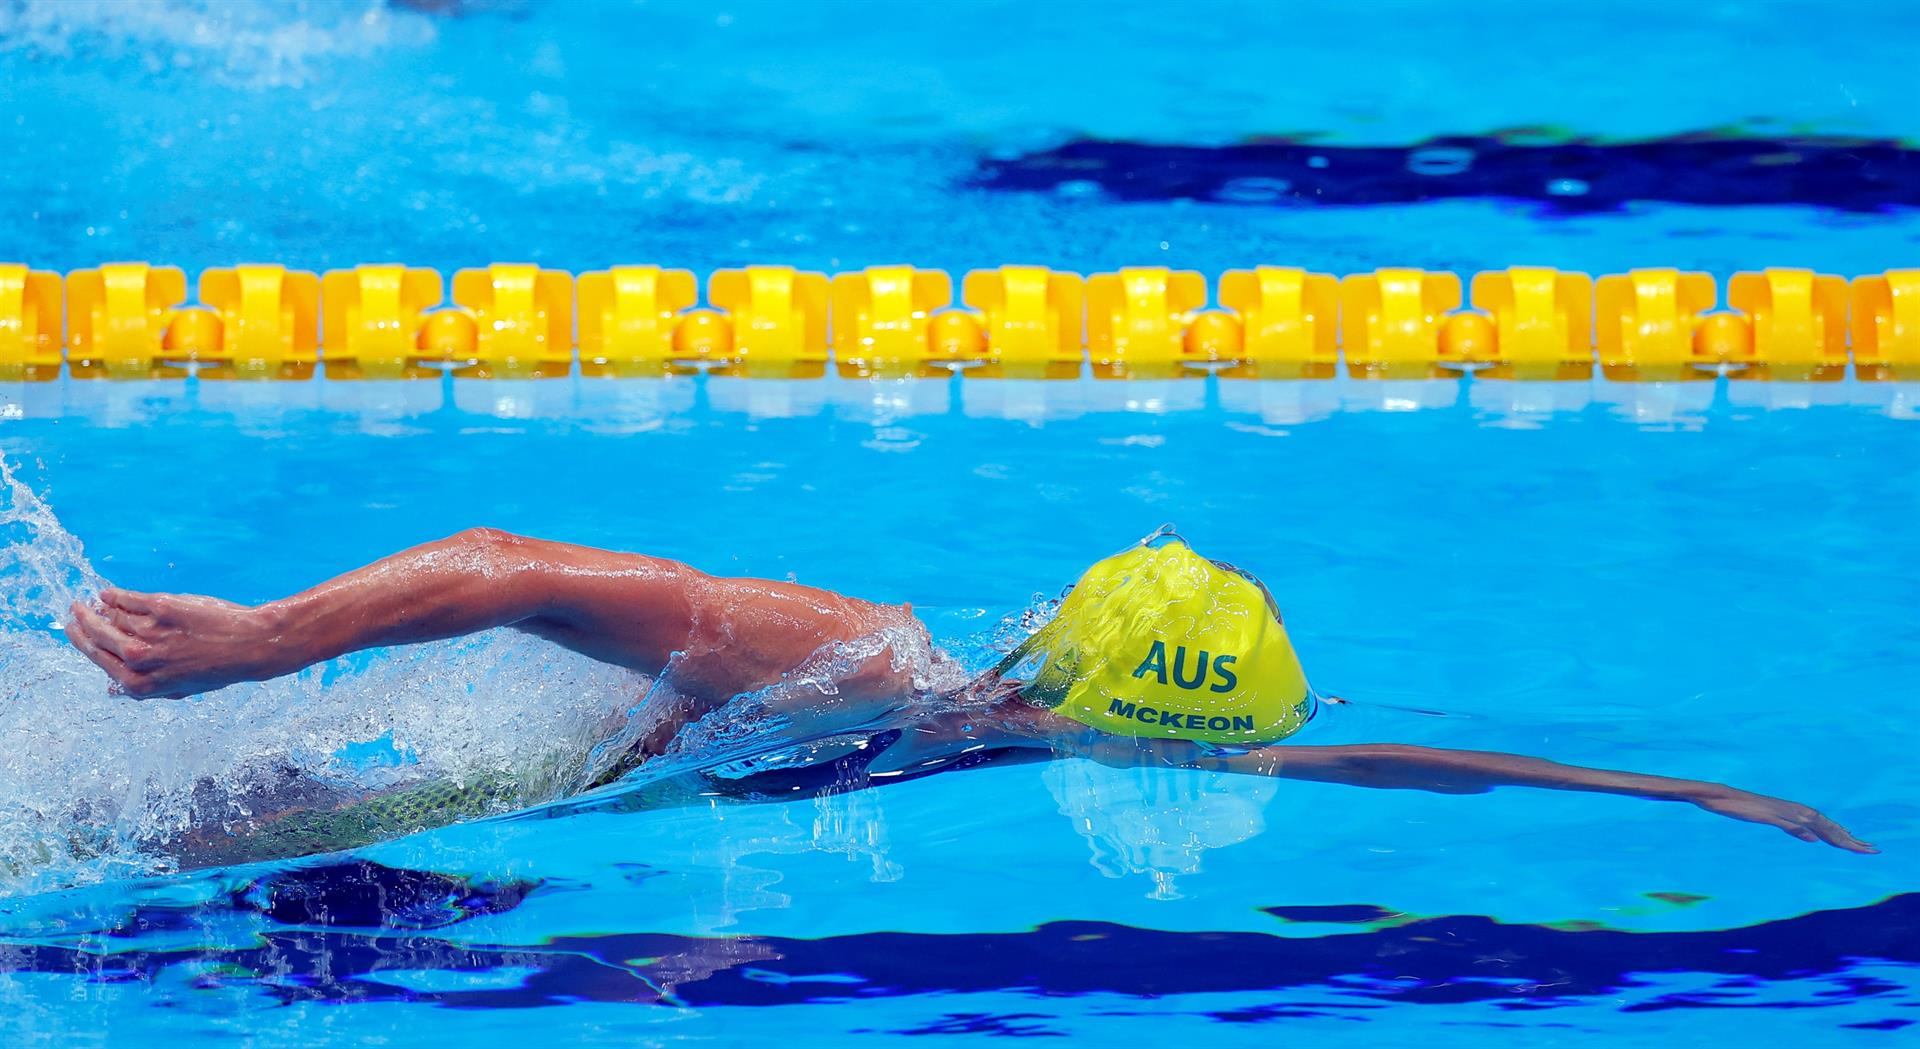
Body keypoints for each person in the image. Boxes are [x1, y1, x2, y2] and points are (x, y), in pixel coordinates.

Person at [63, 526, 1875, 856]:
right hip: (405, 768)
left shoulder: (1018, 708)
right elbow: (512, 562)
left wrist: (1673, 795)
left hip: (519, 803)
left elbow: (1392, 770)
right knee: (156, 852)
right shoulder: (859, 660)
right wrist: (259, 637)